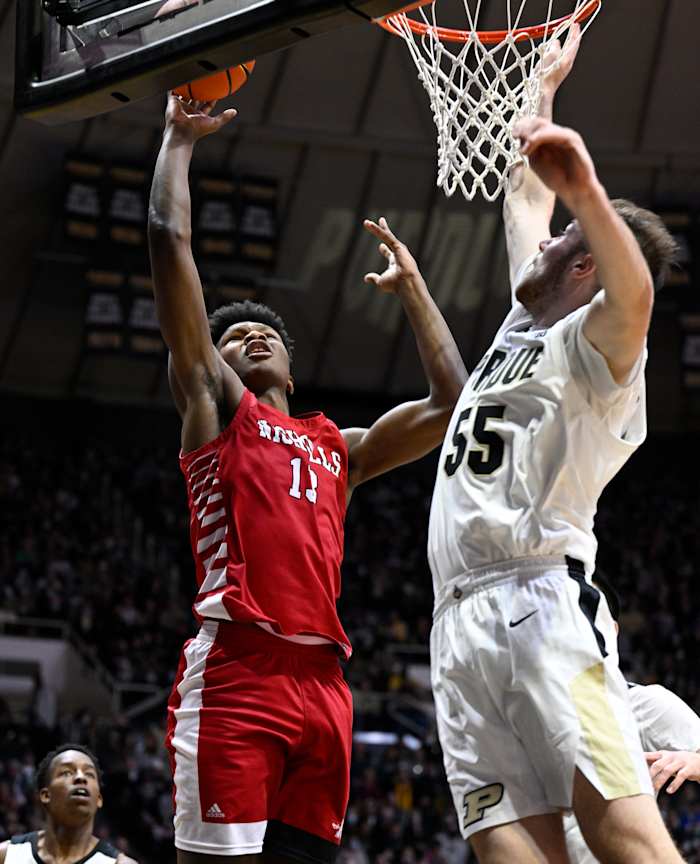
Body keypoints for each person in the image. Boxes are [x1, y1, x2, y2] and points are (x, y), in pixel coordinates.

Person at [148, 94, 467, 864]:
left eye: (266, 333)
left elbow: (454, 401)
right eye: (230, 338)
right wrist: (178, 141)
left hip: (325, 685)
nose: (251, 335)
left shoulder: (339, 447)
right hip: (239, 669)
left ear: (292, 364)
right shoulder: (215, 413)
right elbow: (168, 237)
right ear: (207, 367)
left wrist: (416, 290)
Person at [426, 24, 681, 864]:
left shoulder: (601, 350)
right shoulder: (519, 321)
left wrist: (589, 195)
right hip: (456, 627)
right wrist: (540, 95)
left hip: (542, 608)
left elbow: (636, 289)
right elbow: (518, 191)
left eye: (563, 242)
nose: (539, 241)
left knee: (629, 844)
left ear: (585, 271)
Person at [563, 576, 700, 863]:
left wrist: (696, 762)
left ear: (612, 631)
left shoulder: (644, 704)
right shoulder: (519, 718)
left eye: (588, 607)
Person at [0, 744, 137, 864]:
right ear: (46, 795)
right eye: (66, 773)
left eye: (89, 774)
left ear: (98, 799)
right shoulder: (6, 856)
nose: (80, 777)